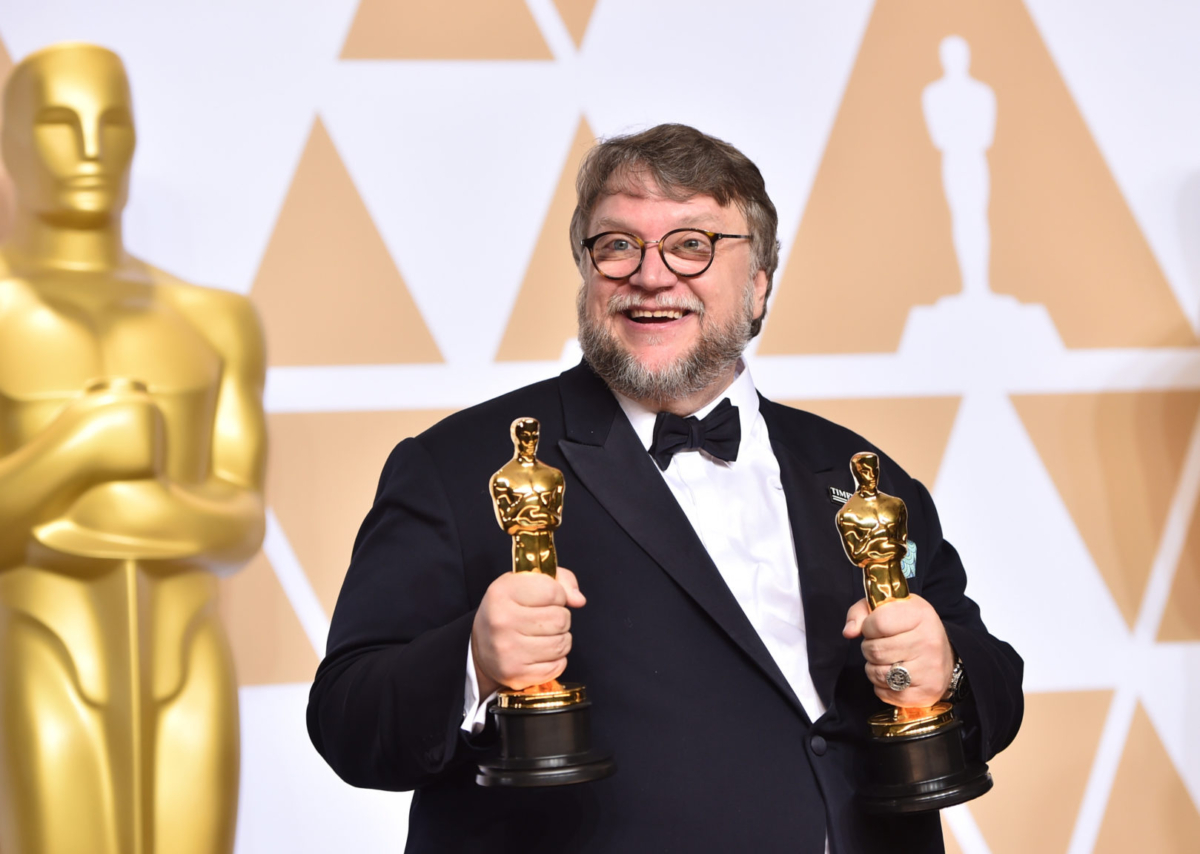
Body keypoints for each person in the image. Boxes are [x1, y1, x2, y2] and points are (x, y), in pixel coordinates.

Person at [308, 124, 1022, 852]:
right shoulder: (458, 468)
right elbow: (346, 719)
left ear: (759, 283)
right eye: (618, 245)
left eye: (692, 243)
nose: (651, 276)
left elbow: (997, 689)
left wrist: (949, 668)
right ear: (587, 272)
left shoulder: (858, 473)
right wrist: (473, 662)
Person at [0, 44, 266, 854]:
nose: (90, 149)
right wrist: (78, 449)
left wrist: (128, 509)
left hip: (186, 655)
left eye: (111, 122)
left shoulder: (214, 319)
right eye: (58, 122)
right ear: (11, 143)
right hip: (38, 646)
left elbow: (241, 521)